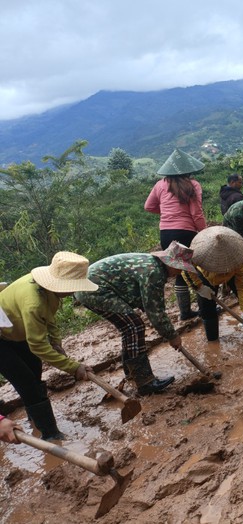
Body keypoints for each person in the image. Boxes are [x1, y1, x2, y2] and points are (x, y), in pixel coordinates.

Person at [74, 243, 197, 395]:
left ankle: (132, 374)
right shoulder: (154, 272)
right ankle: (145, 382)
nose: (180, 272)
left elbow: (147, 303)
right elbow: (155, 312)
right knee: (134, 326)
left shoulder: (154, 266)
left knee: (130, 327)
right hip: (94, 289)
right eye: (180, 268)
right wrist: (172, 336)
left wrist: (168, 332)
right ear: (171, 263)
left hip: (89, 286)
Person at [0, 252, 98, 441]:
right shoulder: (33, 302)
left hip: (16, 331)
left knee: (34, 373)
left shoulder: (48, 290)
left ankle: (35, 419)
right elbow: (38, 346)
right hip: (2, 337)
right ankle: (51, 434)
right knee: (27, 382)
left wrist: (56, 342)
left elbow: (49, 318)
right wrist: (73, 367)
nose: (74, 291)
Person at [145, 148, 207, 321]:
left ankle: (185, 312)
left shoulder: (160, 185)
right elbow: (196, 213)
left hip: (165, 233)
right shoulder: (193, 185)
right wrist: (204, 233)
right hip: (186, 232)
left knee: (179, 270)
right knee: (197, 269)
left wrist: (167, 213)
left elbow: (148, 207)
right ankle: (205, 309)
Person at [183, 227, 243, 341]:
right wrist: (200, 287)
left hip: (232, 274)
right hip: (207, 277)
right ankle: (213, 341)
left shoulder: (240, 260)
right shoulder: (197, 253)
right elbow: (184, 268)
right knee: (207, 308)